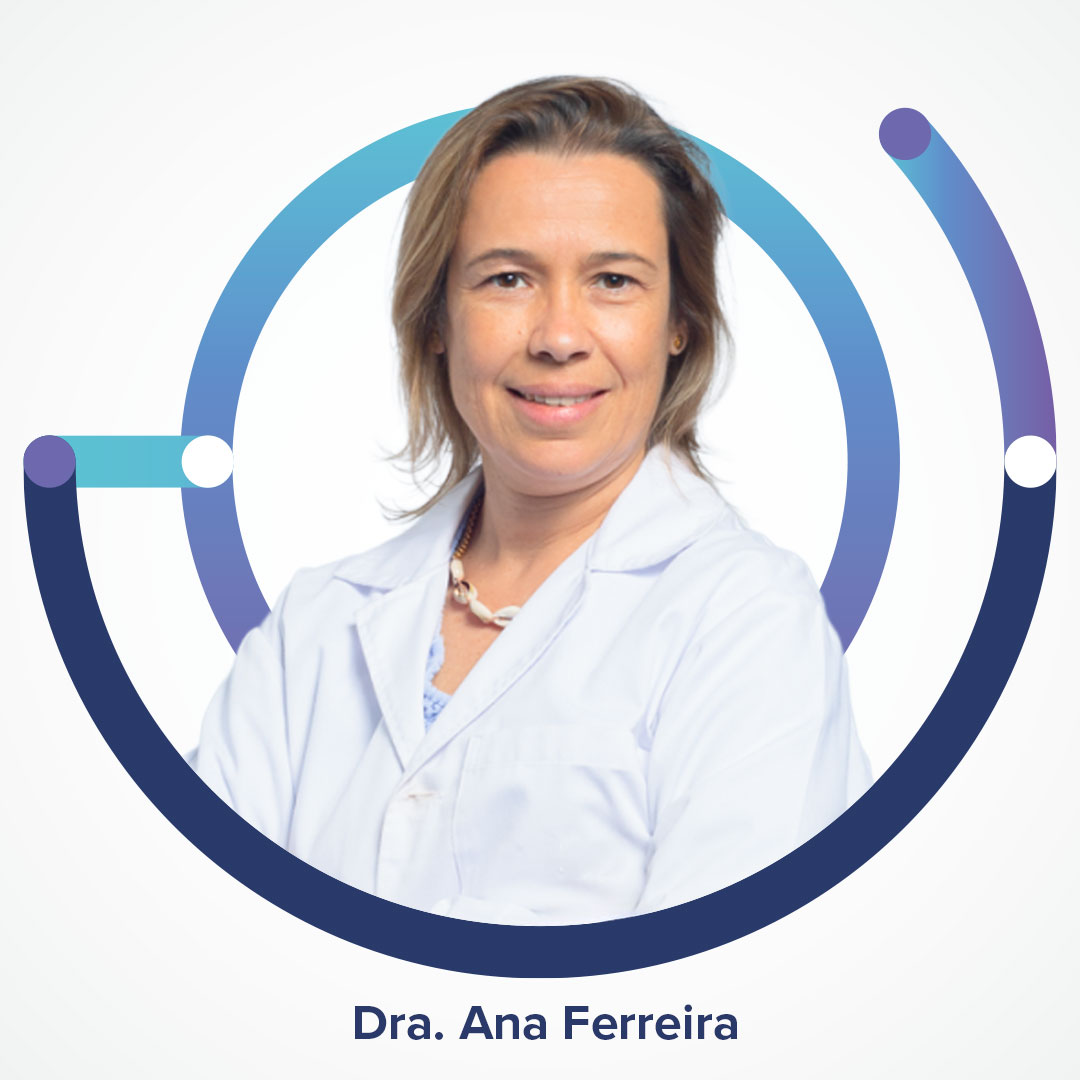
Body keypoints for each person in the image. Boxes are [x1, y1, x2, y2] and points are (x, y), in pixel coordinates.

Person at [192, 75, 872, 925]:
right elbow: (200, 938)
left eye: (613, 281)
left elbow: (720, 980)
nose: (558, 337)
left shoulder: (747, 621)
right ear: (435, 319)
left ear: (680, 323)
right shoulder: (315, 628)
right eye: (508, 278)